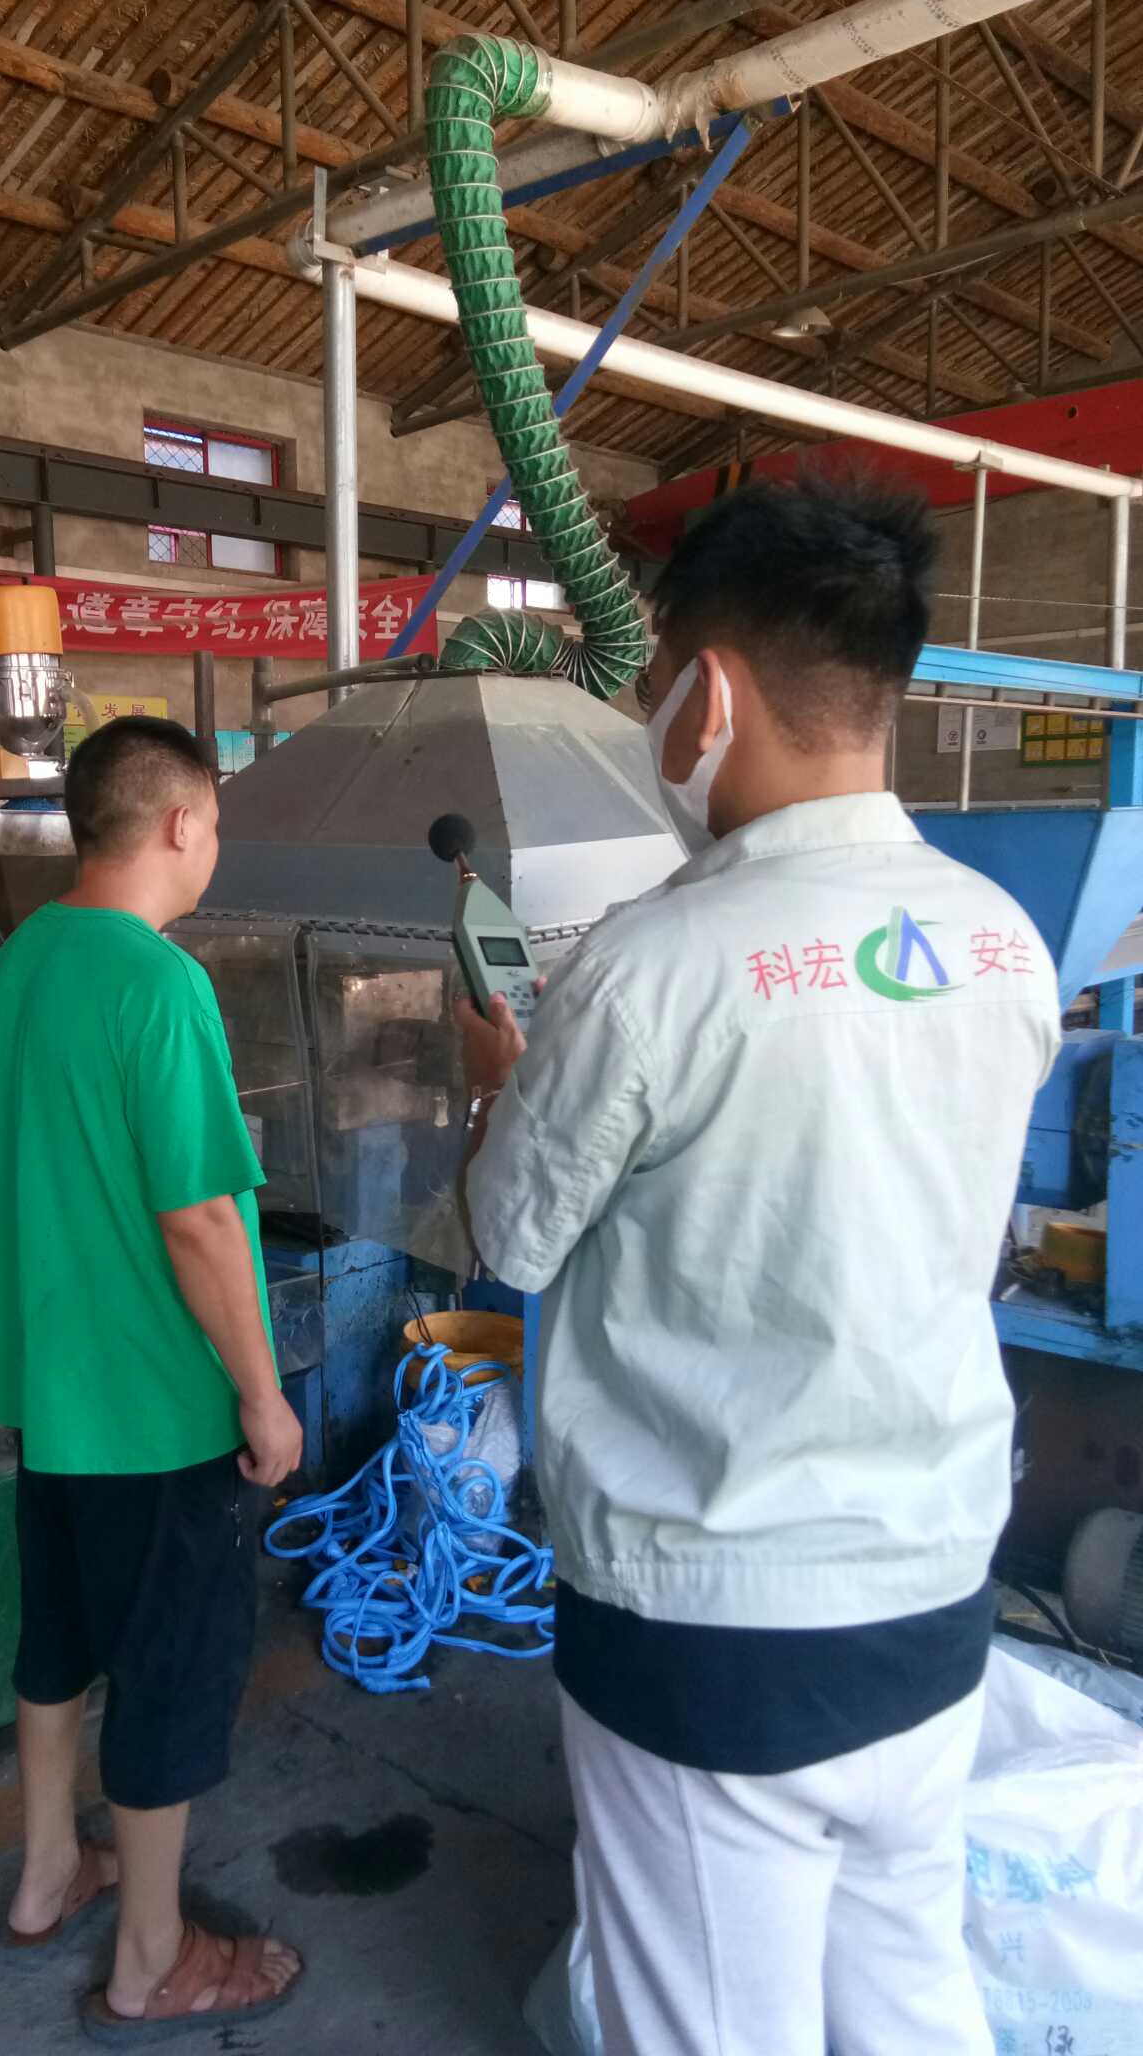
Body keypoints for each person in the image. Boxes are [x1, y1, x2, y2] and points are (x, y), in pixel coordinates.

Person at [456, 477, 1061, 2056]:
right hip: (934, 1586)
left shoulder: (651, 967)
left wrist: (502, 1092)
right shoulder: (1002, 938)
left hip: (710, 1617)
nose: (653, 714)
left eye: (657, 677)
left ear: (709, 695)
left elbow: (511, 1236)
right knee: (907, 1996)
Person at [0, 717, 305, 2040]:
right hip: (155, 1409)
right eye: (214, 821)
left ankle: (50, 1871)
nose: (214, 843)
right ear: (178, 822)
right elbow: (201, 1219)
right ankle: (152, 1960)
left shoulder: (23, 959)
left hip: (50, 1393)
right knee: (168, 1676)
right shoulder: (157, 982)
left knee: (57, 1643)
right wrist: (262, 1393)